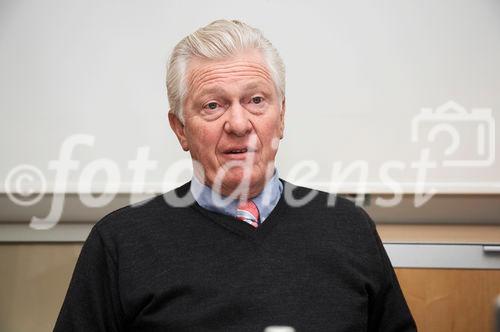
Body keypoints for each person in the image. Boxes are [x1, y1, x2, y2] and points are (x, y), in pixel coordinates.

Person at [54, 19, 417, 331]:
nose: (240, 124)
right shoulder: (119, 244)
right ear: (180, 129)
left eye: (256, 100)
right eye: (213, 105)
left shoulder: (350, 229)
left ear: (282, 115)